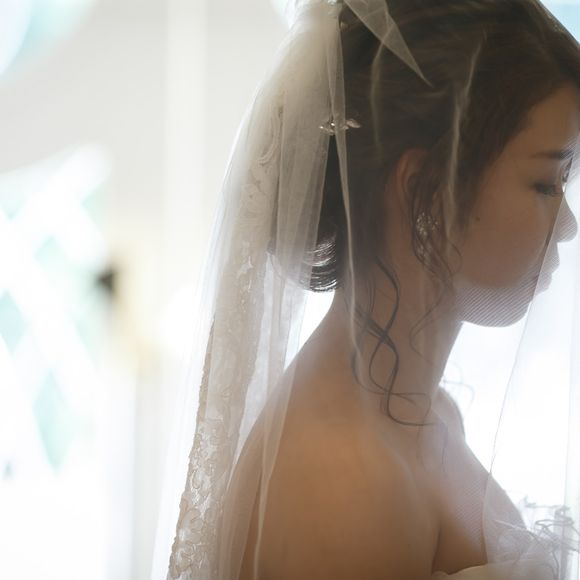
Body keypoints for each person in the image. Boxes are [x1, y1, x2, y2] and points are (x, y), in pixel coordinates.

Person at [155, 1, 580, 579]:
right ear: (423, 190)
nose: (568, 224)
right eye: (546, 183)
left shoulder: (427, 411)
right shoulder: (339, 484)